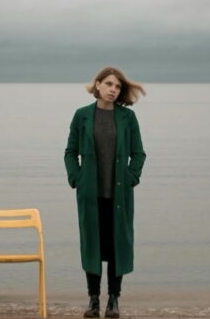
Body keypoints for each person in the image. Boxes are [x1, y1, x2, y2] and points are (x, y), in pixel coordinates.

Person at [64, 66, 146, 319]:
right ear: (98, 85)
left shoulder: (127, 118)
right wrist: (76, 178)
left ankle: (113, 300)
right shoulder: (82, 116)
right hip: (90, 195)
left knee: (116, 247)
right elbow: (70, 152)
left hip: (119, 196)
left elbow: (139, 154)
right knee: (93, 247)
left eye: (118, 86)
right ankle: (93, 301)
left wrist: (132, 177)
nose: (113, 90)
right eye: (109, 84)